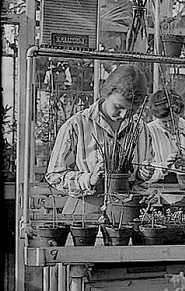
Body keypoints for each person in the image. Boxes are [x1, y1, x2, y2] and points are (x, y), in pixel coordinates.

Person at [46, 64, 155, 215]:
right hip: (85, 216)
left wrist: (143, 174)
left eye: (131, 110)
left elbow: (140, 182)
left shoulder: (141, 129)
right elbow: (54, 175)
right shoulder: (77, 125)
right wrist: (89, 179)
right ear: (107, 93)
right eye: (118, 107)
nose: (123, 115)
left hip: (127, 215)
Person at [146, 89, 185, 183]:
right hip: (157, 187)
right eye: (164, 122)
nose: (169, 125)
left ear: (179, 114)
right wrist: (163, 167)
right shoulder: (149, 131)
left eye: (173, 120)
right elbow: (142, 172)